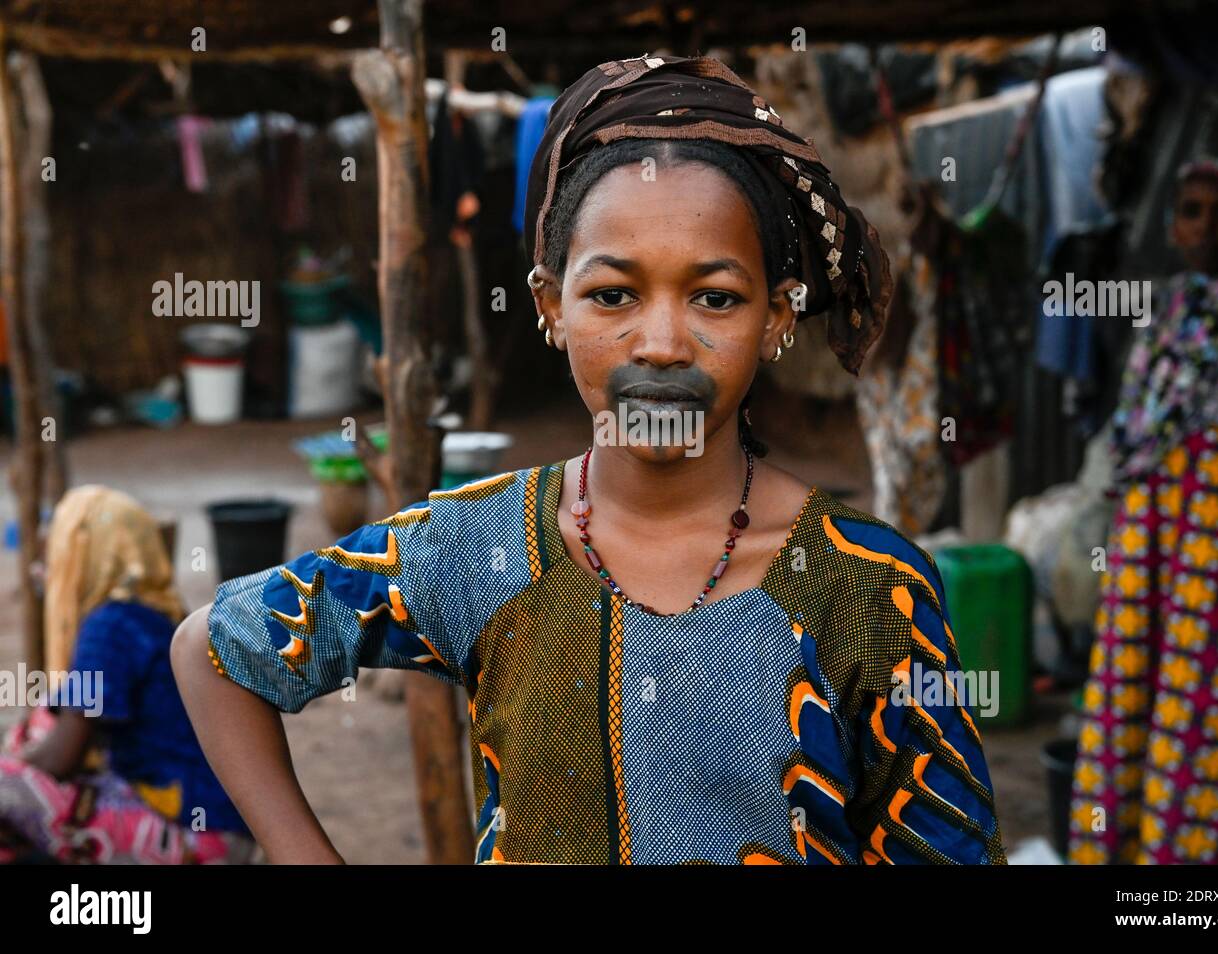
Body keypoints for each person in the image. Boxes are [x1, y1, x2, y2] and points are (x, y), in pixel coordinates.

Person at [172, 54, 1006, 866]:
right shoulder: (475, 549)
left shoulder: (867, 588)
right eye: (613, 294)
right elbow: (213, 649)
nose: (662, 343)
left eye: (716, 296)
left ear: (779, 318)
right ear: (551, 306)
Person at [1069, 157, 1218, 864]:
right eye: (1191, 211)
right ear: (1171, 226)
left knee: (1212, 730)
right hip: (1146, 554)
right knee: (1126, 720)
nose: (1205, 226)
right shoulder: (1164, 312)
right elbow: (1136, 445)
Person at [0, 486, 254, 864]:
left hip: (194, 837)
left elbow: (61, 757)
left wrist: (14, 768)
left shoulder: (109, 626)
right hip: (227, 828)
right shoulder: (156, 616)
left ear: (86, 554)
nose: (44, 567)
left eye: (55, 550)